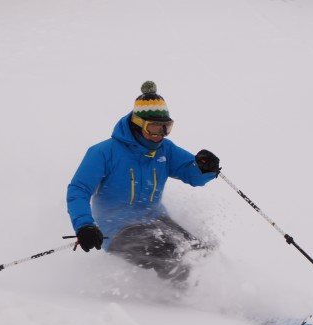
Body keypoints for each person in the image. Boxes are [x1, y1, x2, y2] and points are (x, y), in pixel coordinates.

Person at [66, 81, 221, 284]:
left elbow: (191, 174)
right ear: (138, 124)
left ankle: (223, 297)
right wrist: (85, 226)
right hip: (118, 229)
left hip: (156, 219)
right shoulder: (104, 152)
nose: (160, 135)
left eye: (166, 128)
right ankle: (186, 307)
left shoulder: (166, 149)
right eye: (154, 128)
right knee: (172, 254)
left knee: (200, 250)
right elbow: (79, 190)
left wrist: (204, 168)